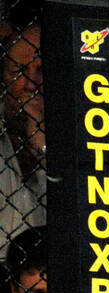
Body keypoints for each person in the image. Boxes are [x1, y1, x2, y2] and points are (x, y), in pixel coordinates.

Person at [0, 20, 45, 262]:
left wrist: (42, 143)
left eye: (41, 70)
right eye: (18, 71)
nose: (31, 84)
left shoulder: (87, 131)